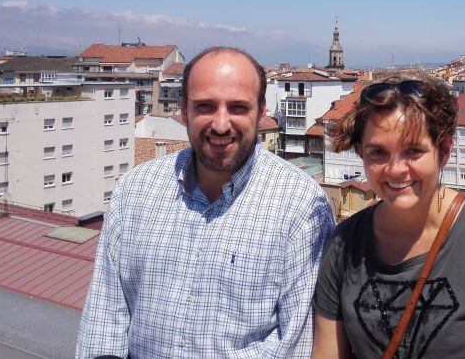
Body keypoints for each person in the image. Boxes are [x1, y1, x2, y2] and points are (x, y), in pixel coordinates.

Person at [77, 47, 335, 359]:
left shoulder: (301, 204)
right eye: (205, 106)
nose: (221, 124)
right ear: (183, 109)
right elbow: (105, 317)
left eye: (238, 107)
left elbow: (294, 342)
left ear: (262, 110)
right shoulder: (134, 191)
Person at [312, 72, 465, 359]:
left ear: (444, 151)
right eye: (377, 153)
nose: (395, 169)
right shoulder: (344, 245)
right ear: (361, 153)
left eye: (413, 151)